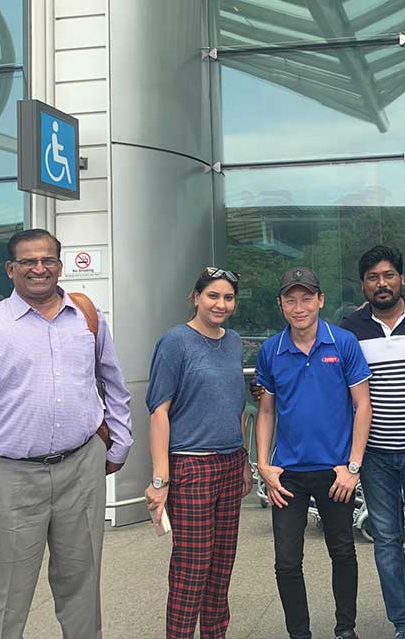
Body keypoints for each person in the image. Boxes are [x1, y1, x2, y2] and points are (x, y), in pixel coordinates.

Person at [0, 228, 132, 639]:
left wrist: (120, 442)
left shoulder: (86, 318)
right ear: (10, 269)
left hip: (81, 467)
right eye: (28, 261)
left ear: (60, 266)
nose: (39, 268)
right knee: (7, 593)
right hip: (10, 476)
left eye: (47, 260)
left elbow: (113, 382)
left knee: (82, 584)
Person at [255, 266, 374, 639]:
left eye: (306, 298)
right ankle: (299, 634)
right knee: (287, 561)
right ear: (281, 304)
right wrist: (264, 466)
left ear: (320, 300)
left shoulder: (343, 343)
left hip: (336, 472)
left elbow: (363, 405)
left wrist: (353, 466)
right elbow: (266, 411)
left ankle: (345, 629)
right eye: (290, 299)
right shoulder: (271, 350)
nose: (299, 307)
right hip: (287, 474)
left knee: (343, 553)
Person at [340, 245, 405, 639]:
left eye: (388, 275)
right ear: (363, 284)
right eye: (373, 278)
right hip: (374, 455)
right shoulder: (350, 330)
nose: (381, 284)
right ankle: (404, 622)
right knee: (385, 541)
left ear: (401, 278)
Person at [144, 266, 254, 639]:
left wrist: (244, 461)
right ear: (195, 297)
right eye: (213, 295)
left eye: (228, 297)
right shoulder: (175, 341)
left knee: (221, 568)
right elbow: (159, 411)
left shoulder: (234, 341)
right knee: (191, 570)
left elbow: (235, 406)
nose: (220, 304)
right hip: (192, 466)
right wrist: (160, 480)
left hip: (230, 463)